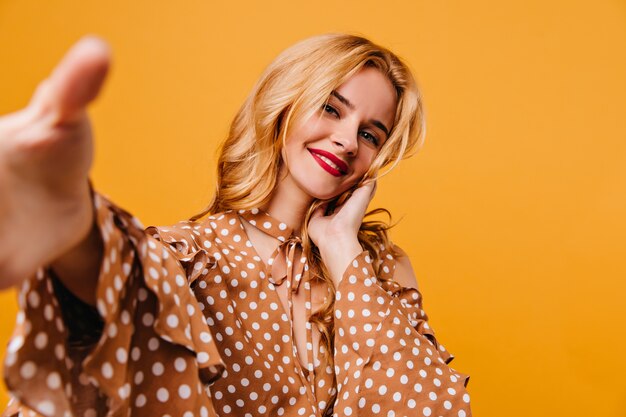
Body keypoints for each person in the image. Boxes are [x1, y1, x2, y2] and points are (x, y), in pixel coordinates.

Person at [0, 34, 472, 417]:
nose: (348, 140)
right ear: (285, 101)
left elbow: (427, 408)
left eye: (371, 133)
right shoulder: (191, 258)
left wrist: (340, 247)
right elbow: (113, 294)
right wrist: (72, 227)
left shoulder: (381, 271)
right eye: (331, 108)